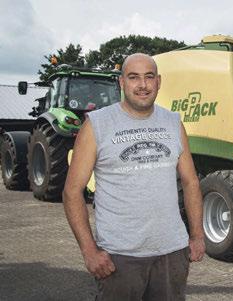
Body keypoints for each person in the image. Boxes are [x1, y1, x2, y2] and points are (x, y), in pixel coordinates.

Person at [63, 53, 205, 301]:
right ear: (121, 82)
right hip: (120, 258)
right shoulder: (97, 125)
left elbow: (191, 181)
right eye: (134, 77)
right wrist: (89, 251)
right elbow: (72, 191)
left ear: (158, 82)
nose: (142, 85)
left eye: (149, 77)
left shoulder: (173, 123)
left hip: (172, 253)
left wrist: (197, 236)